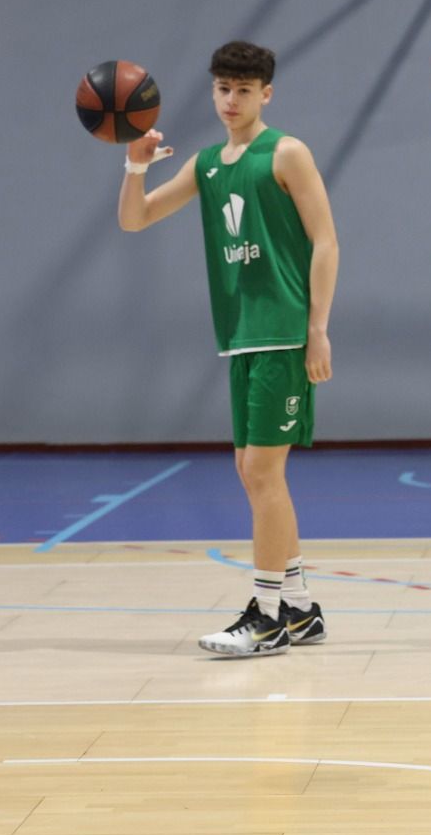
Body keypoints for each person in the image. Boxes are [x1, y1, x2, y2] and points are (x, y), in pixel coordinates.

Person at [117, 40, 338, 657]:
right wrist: (136, 166)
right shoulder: (207, 163)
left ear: (266, 93)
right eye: (222, 89)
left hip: (284, 331)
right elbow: (136, 220)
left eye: (243, 89)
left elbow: (326, 242)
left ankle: (266, 617)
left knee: (263, 472)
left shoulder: (286, 153)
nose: (230, 100)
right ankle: (298, 608)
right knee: (252, 471)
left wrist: (317, 327)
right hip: (240, 337)